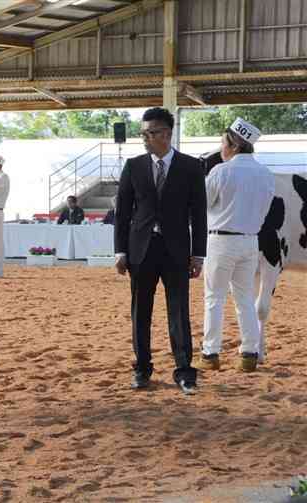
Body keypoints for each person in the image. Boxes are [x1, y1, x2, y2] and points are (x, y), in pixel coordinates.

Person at [114, 107, 207, 395]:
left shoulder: (192, 167)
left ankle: (184, 371)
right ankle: (142, 369)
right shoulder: (133, 165)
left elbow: (199, 214)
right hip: (141, 249)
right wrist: (120, 251)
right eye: (143, 133)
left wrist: (198, 254)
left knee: (178, 311)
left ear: (166, 134)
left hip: (177, 250)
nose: (145, 138)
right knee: (140, 311)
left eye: (151, 133)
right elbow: (123, 213)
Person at [197, 118, 275, 373]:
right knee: (244, 298)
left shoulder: (221, 171)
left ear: (233, 144)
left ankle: (211, 353)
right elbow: (264, 212)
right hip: (250, 241)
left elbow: (203, 204)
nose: (221, 147)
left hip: (221, 240)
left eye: (223, 142)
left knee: (214, 298)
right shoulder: (266, 174)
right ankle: (250, 353)